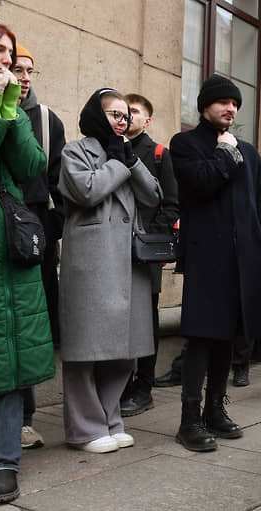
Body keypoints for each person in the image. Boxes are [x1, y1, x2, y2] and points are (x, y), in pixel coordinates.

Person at [169, 74, 261, 452]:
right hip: (206, 258)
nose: (230, 108)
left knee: (228, 338)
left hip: (244, 259)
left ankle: (216, 409)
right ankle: (189, 420)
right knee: (201, 338)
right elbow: (199, 183)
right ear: (205, 107)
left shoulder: (249, 152)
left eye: (235, 103)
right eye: (222, 102)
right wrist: (225, 153)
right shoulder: (185, 144)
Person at [0, 18, 55, 504]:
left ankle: (2, 460)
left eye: (10, 51)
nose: (8, 59)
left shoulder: (12, 109)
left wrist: (9, 112)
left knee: (3, 349)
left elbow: (30, 169)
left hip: (8, 251)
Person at [58, 88, 162, 454]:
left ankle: (110, 419)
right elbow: (87, 191)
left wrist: (130, 161)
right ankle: (85, 428)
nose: (122, 121)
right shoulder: (75, 150)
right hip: (91, 263)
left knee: (123, 346)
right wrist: (119, 164)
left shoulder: (128, 153)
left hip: (126, 263)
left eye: (126, 115)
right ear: (96, 117)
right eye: (114, 115)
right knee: (86, 347)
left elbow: (153, 194)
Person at [12, 43, 66, 449]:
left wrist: (49, 231)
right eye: (16, 68)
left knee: (28, 323)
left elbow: (56, 183)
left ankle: (25, 418)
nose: (24, 76)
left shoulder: (47, 121)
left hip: (31, 233)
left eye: (30, 70)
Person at [118, 93, 179, 417]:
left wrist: (148, 238)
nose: (128, 117)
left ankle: (144, 387)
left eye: (135, 112)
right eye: (124, 112)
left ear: (148, 120)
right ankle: (120, 384)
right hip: (114, 252)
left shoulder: (158, 154)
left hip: (144, 253)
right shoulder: (112, 148)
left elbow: (171, 204)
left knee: (146, 320)